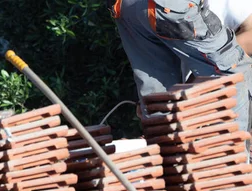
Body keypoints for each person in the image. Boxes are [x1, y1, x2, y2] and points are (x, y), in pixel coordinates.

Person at [108, 0, 252, 133]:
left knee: (159, 105)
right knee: (232, 74)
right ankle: (229, 157)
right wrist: (196, 85)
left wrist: (185, 90)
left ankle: (166, 149)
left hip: (125, 6)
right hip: (165, 5)